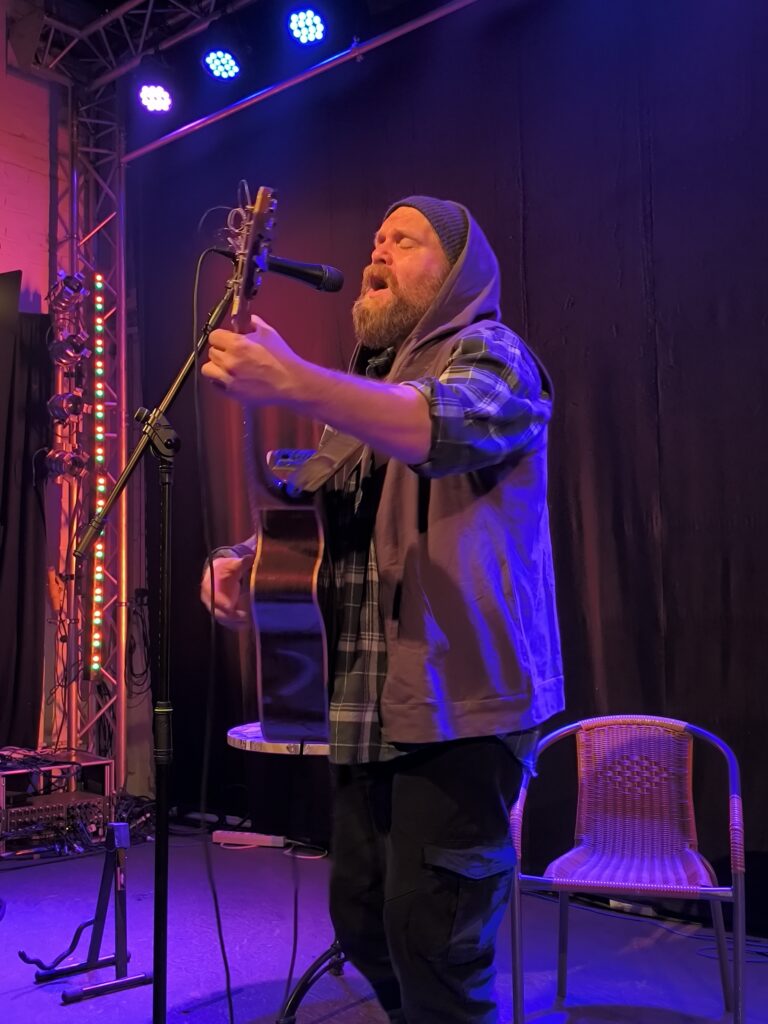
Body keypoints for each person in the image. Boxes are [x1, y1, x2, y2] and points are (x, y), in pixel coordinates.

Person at [200, 196, 564, 1023]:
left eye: (406, 240)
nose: (379, 251)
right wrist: (246, 566)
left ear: (458, 272)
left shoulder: (493, 353)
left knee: (435, 940)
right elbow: (322, 516)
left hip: (460, 706)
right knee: (365, 918)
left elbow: (438, 426)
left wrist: (295, 381)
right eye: (376, 239)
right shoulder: (364, 390)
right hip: (368, 705)